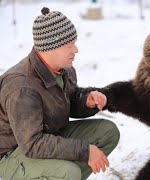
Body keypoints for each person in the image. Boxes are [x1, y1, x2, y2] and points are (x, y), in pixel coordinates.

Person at [0, 7, 120, 180]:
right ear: (50, 47)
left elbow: (65, 101)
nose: (76, 50)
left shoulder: (63, 69)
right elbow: (32, 144)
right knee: (67, 172)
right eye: (69, 45)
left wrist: (86, 101)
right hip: (10, 153)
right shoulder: (21, 87)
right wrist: (84, 151)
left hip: (47, 136)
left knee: (108, 132)